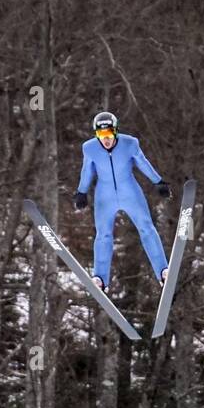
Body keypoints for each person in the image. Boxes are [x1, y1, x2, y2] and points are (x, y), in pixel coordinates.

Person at [73, 111, 171, 292]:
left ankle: (163, 271)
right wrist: (81, 192)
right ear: (96, 134)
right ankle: (101, 279)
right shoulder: (90, 148)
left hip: (130, 192)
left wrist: (158, 182)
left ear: (115, 132)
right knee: (103, 235)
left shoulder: (130, 144)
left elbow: (143, 163)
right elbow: (87, 171)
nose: (106, 139)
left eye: (109, 134)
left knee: (146, 227)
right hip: (105, 195)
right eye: (101, 135)